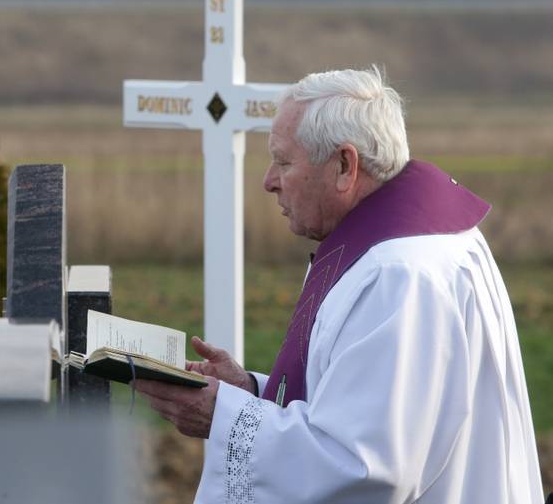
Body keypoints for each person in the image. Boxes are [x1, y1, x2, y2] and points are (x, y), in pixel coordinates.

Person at [134, 67, 544, 504]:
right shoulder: (420, 243)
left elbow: (363, 469)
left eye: (284, 161)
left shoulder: (397, 277)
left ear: (345, 166)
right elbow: (362, 406)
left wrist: (226, 415)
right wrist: (254, 392)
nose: (268, 181)